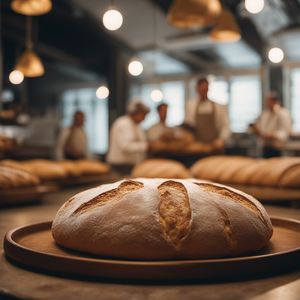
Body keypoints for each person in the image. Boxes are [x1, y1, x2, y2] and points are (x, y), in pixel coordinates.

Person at [184, 77, 231, 149]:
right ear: (197, 89)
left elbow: (225, 126)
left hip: (215, 146)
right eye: (201, 89)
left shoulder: (219, 107)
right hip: (197, 146)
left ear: (208, 89)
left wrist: (222, 139)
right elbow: (189, 125)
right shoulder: (191, 106)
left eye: (205, 89)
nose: (203, 91)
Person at [107, 100, 150, 174]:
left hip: (131, 165)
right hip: (121, 166)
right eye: (143, 115)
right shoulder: (123, 124)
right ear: (135, 113)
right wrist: (147, 146)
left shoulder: (137, 126)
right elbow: (126, 146)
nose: (144, 119)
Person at [250, 92, 291, 158]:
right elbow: (260, 127)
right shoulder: (265, 113)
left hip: (277, 148)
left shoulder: (283, 113)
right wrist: (256, 129)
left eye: (269, 101)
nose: (267, 103)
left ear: (275, 101)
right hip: (265, 147)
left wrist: (272, 135)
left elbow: (285, 133)